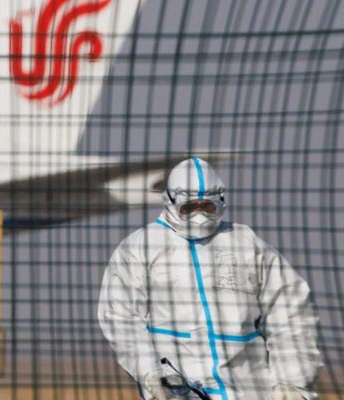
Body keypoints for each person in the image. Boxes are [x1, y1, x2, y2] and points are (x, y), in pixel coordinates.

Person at [97, 158, 322, 400]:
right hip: (179, 389)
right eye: (190, 208)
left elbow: (291, 313)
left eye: (207, 207)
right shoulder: (141, 247)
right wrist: (150, 371)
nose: (200, 216)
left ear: (221, 202)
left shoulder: (246, 243)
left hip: (251, 390)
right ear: (171, 202)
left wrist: (292, 382)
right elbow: (121, 319)